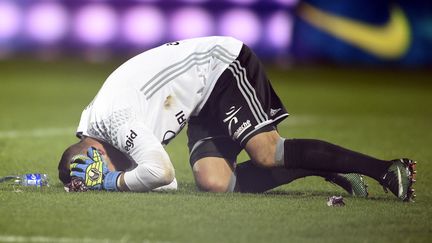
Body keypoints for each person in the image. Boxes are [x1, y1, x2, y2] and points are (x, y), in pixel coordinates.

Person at [58, 36, 415, 201]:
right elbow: (161, 183)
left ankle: (386, 169)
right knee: (216, 183)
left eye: (95, 168)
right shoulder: (97, 131)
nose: (101, 170)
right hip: (199, 99)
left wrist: (111, 183)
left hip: (221, 66)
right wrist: (119, 178)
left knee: (266, 152)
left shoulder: (116, 120)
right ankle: (322, 166)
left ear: (95, 152)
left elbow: (161, 173)